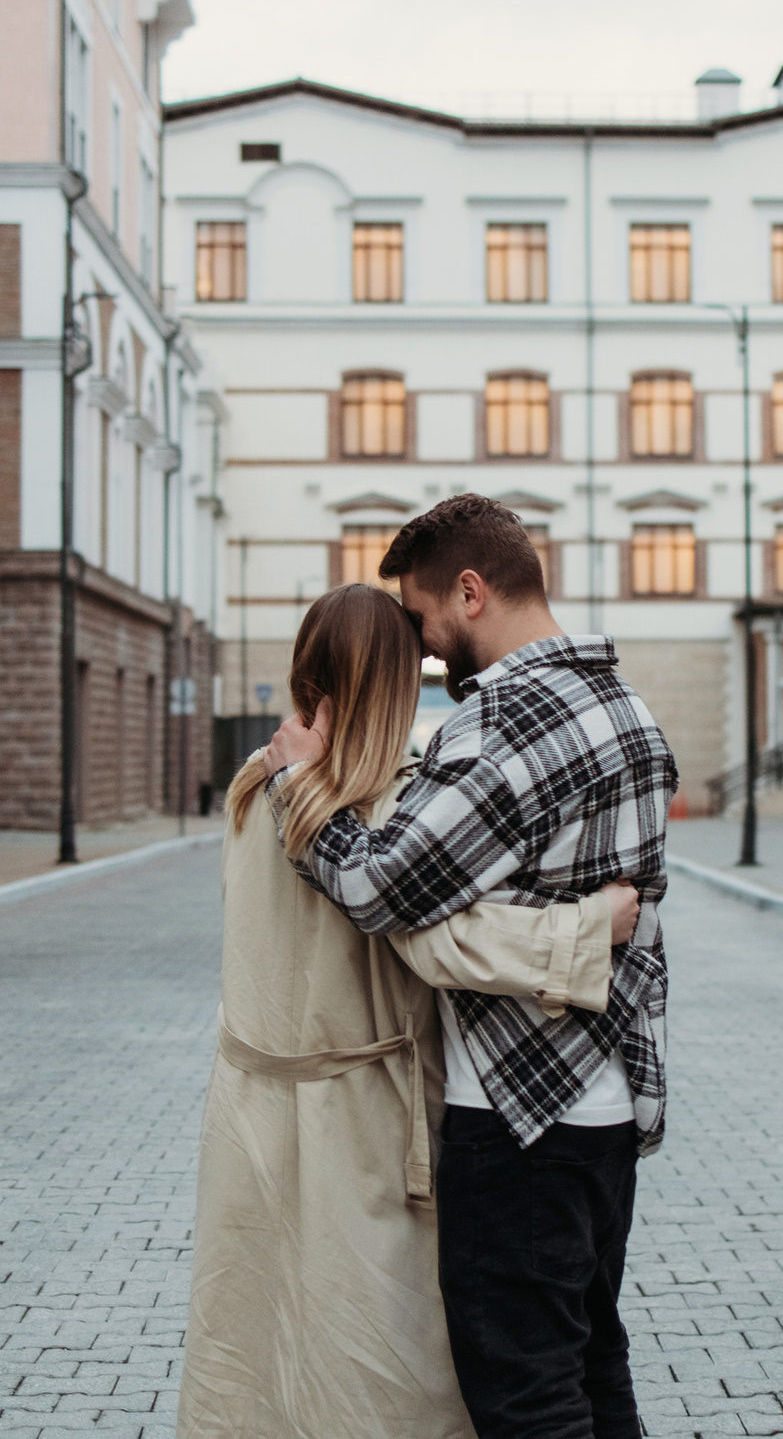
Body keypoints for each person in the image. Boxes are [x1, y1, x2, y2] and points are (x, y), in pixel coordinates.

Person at [178, 583, 643, 1439]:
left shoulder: (255, 785)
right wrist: (588, 929)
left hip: (248, 1112)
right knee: (382, 1376)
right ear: (396, 684)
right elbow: (443, 943)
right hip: (361, 1124)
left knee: (256, 1365)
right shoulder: (381, 802)